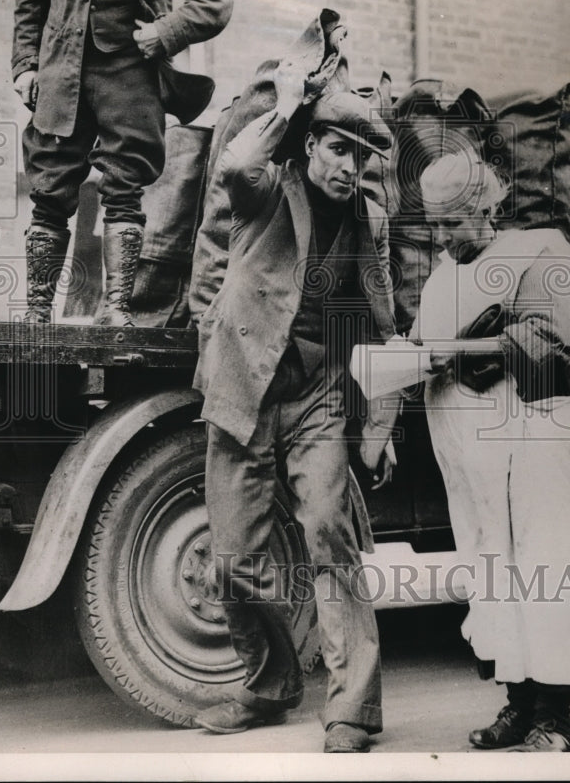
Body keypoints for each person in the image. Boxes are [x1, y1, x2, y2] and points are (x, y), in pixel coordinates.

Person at [191, 61, 395, 753]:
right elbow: (237, 162)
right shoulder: (266, 189)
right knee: (232, 557)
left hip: (315, 394)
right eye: (337, 148)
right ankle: (272, 683)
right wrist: (289, 106)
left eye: (359, 156)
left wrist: (378, 422)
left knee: (330, 539)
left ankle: (351, 709)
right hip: (244, 383)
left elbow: (375, 322)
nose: (347, 166)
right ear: (309, 145)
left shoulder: (367, 221)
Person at [414, 148, 570, 753]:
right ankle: (518, 703)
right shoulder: (442, 274)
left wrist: (462, 351)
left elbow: (553, 349)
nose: (445, 237)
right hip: (480, 462)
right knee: (495, 572)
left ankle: (555, 718)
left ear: (486, 206)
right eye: (435, 225)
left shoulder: (538, 252)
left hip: (540, 440)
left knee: (547, 566)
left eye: (455, 223)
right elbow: (431, 343)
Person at [12, 0, 233, 326]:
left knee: (126, 189)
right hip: (62, 68)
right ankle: (37, 311)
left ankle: (117, 311)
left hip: (132, 71)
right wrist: (25, 65)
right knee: (49, 188)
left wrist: (167, 31)